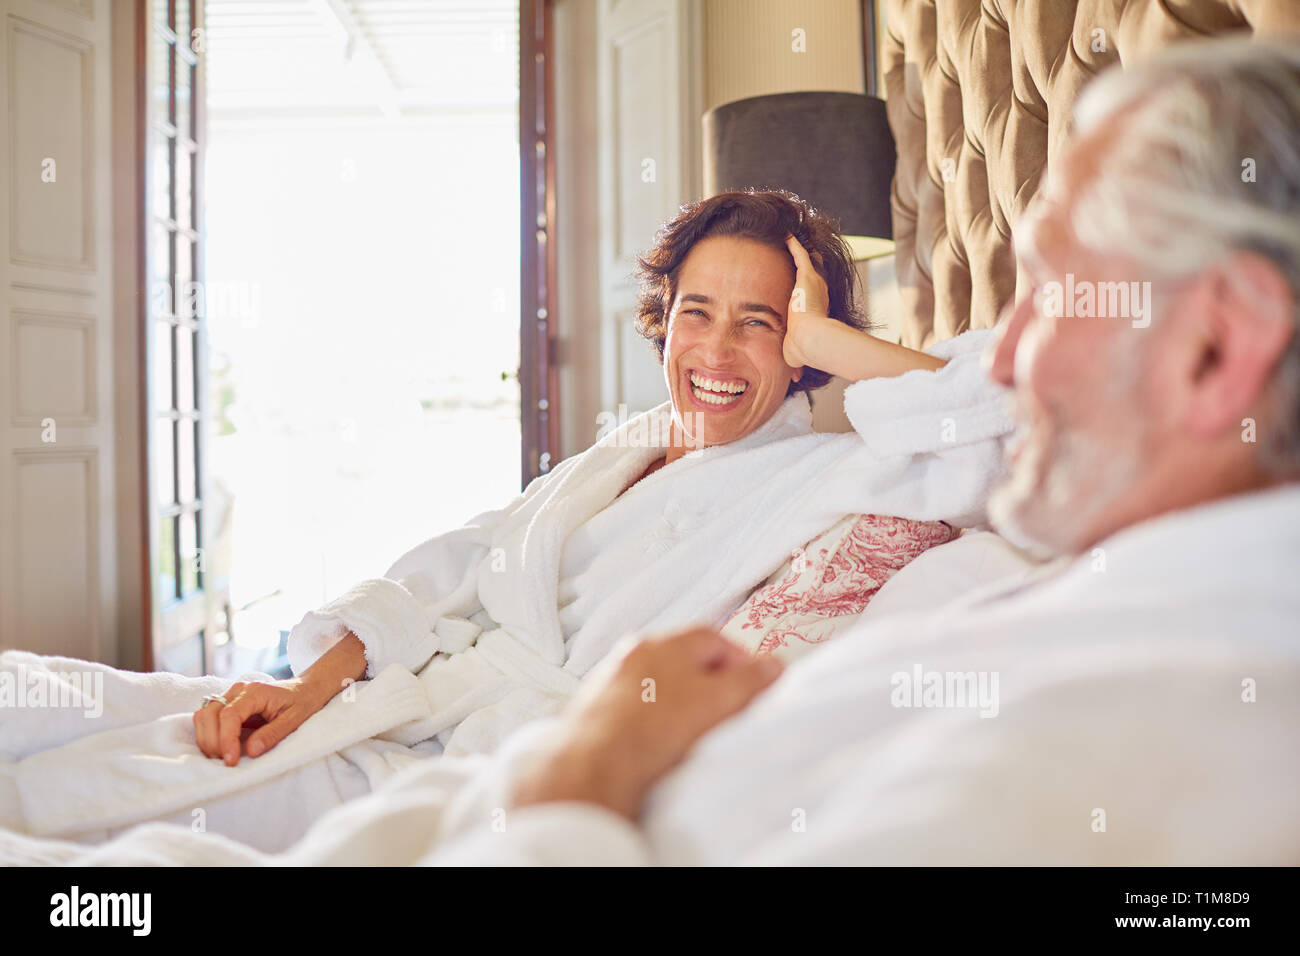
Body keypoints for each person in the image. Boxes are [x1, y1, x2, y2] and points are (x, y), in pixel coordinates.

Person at [0, 190, 1012, 852]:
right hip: (390, 703)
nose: (716, 347)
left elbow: (1011, 415)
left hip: (474, 758)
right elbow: (462, 560)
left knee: (78, 798)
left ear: (802, 348)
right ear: (662, 316)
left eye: (761, 322)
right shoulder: (624, 445)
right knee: (47, 705)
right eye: (697, 309)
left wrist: (831, 336)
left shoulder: (833, 471)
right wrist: (307, 681)